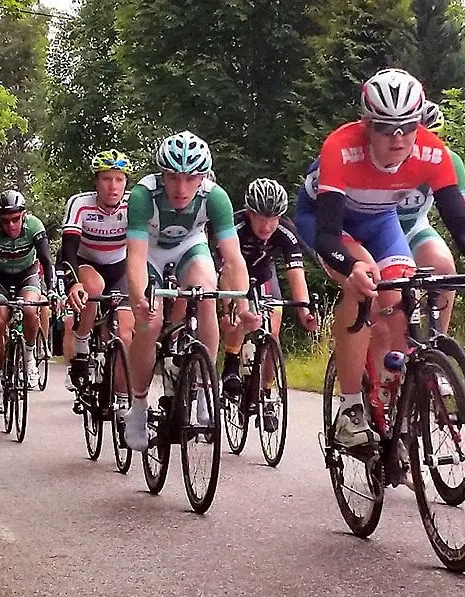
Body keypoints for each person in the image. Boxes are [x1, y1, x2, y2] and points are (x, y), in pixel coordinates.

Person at [294, 68, 465, 449]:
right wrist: (350, 268)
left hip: (381, 220)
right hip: (328, 222)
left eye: (407, 127)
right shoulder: (340, 147)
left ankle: (394, 400)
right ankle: (350, 408)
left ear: (418, 123)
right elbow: (327, 234)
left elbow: (460, 222)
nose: (397, 138)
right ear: (366, 124)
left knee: (400, 298)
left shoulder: (432, 152)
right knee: (364, 281)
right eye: (385, 128)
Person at [121, 131, 254, 452]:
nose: (181, 189)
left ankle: (206, 388)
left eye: (191, 178)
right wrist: (139, 300)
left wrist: (242, 303)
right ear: (161, 175)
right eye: (172, 178)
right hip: (151, 252)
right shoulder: (142, 196)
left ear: (203, 177)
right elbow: (135, 257)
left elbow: (233, 258)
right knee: (149, 324)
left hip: (189, 248)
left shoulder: (215, 197)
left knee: (206, 295)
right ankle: (138, 405)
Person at [218, 177, 319, 397]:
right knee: (237, 317)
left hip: (263, 274)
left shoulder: (286, 231)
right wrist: (229, 308)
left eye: (273, 219)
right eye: (261, 219)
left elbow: (296, 272)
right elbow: (224, 270)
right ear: (249, 213)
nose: (266, 226)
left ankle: (266, 390)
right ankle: (231, 363)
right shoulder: (235, 227)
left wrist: (304, 310)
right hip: (233, 273)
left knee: (273, 330)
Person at [393, 100, 465, 332]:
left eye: (433, 138)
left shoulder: (447, 160)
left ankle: (439, 340)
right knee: (394, 291)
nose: (424, 147)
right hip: (380, 232)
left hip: (415, 227)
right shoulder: (387, 155)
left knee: (444, 268)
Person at [59, 149, 134, 414]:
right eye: (106, 179)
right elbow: (68, 247)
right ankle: (81, 344)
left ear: (125, 182)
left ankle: (123, 399)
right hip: (86, 262)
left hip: (119, 267)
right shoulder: (80, 203)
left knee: (125, 333)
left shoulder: (134, 204)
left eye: (119, 179)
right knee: (93, 287)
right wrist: (73, 282)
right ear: (96, 181)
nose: (113, 186)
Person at [0, 190, 56, 411]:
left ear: (24, 214)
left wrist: (51, 290)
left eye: (15, 219)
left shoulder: (34, 225)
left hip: (26, 275)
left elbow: (47, 262)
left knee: (30, 310)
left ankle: (29, 357)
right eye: (5, 221)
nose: (11, 225)